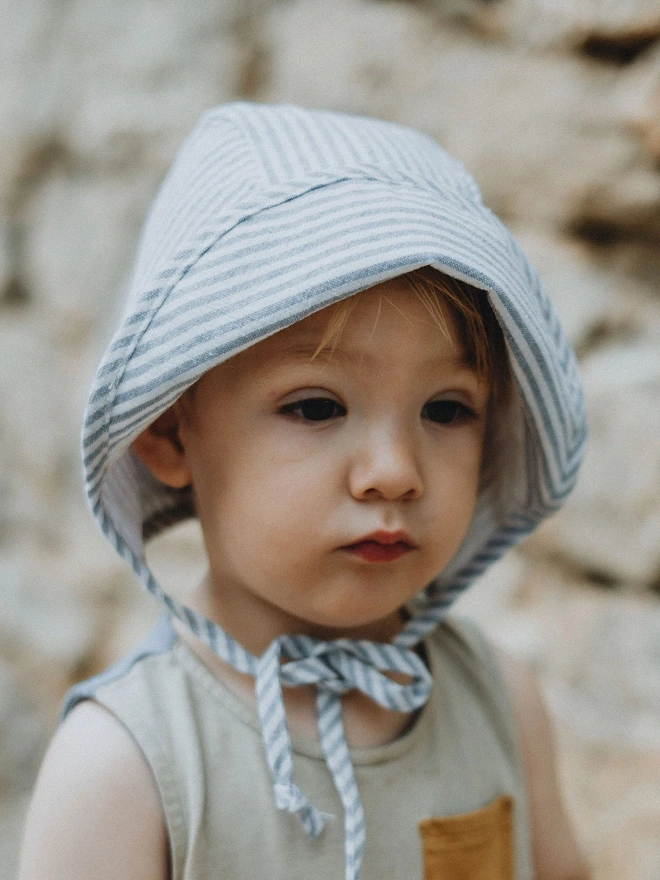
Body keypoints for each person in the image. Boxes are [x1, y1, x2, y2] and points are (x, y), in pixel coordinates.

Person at [18, 103, 590, 880]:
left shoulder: (500, 706)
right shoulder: (125, 766)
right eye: (316, 406)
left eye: (447, 409)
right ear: (169, 432)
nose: (394, 470)